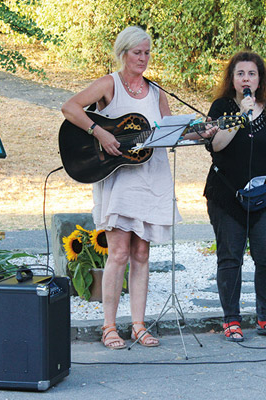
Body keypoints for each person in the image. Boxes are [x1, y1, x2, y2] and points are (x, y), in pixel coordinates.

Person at [61, 26, 215, 349]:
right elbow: (70, 108)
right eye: (137, 53)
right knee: (117, 252)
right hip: (121, 178)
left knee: (142, 252)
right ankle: (108, 327)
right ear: (124, 53)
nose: (143, 59)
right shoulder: (110, 84)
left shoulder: (157, 92)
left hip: (152, 175)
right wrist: (99, 132)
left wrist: (200, 133)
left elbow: (172, 131)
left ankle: (139, 325)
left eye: (147, 53)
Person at [204, 51, 266, 342]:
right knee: (230, 258)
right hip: (226, 196)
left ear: (260, 79)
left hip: (264, 196)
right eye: (241, 74)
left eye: (252, 74)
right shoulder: (222, 106)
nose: (246, 78)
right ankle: (231, 320)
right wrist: (240, 116)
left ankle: (265, 318)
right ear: (232, 80)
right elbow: (216, 146)